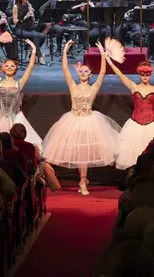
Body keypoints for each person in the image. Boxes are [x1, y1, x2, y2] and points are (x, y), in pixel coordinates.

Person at [42, 40, 121, 195]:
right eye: (81, 71)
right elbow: (65, 69)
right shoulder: (73, 86)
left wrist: (102, 55)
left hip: (89, 121)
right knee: (79, 153)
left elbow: (103, 73)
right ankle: (83, 180)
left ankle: (83, 181)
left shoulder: (94, 87)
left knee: (84, 153)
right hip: (73, 120)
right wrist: (65, 50)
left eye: (86, 71)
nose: (83, 73)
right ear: (78, 74)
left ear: (90, 75)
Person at [108, 52, 154, 170]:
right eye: (142, 74)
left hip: (151, 123)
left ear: (151, 75)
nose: (145, 77)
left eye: (147, 74)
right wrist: (109, 61)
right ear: (139, 74)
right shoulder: (133, 87)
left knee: (151, 153)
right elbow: (120, 75)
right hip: (135, 123)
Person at [0, 38, 43, 149]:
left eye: (12, 66)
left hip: (16, 116)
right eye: (7, 65)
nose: (9, 67)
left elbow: (30, 67)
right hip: (1, 116)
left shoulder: (19, 83)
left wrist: (34, 49)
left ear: (16, 69)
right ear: (2, 68)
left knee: (20, 143)